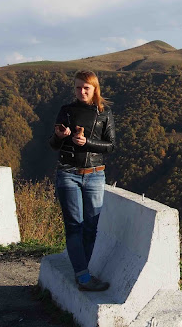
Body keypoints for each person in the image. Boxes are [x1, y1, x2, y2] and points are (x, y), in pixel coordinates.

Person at [49, 70, 115, 291]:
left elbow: (111, 146)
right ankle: (84, 276)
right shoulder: (66, 112)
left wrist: (86, 142)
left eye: (86, 87)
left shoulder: (104, 114)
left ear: (95, 88)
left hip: (95, 174)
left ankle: (82, 270)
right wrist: (59, 136)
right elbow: (53, 145)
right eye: (78, 87)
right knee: (74, 226)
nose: (82, 91)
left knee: (91, 227)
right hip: (68, 173)